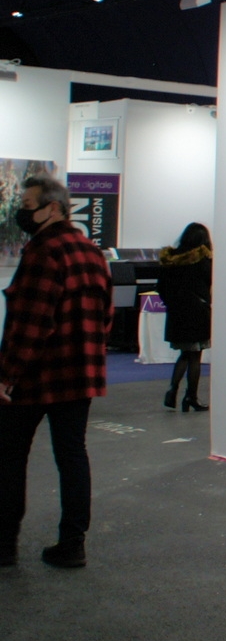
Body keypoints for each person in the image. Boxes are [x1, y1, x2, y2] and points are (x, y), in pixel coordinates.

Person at [0, 175, 113, 569]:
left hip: (37, 375)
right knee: (72, 456)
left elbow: (31, 322)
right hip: (81, 374)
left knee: (10, 457)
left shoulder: (43, 252)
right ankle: (72, 543)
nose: (21, 213)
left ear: (52, 208)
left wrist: (6, 375)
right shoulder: (92, 252)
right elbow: (106, 316)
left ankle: (4, 544)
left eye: (27, 206)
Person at [157, 223, 213, 413]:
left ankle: (172, 390)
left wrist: (174, 303)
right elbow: (210, 282)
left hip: (177, 313)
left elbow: (161, 288)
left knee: (184, 353)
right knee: (195, 355)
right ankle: (191, 397)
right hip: (198, 312)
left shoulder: (169, 259)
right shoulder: (202, 259)